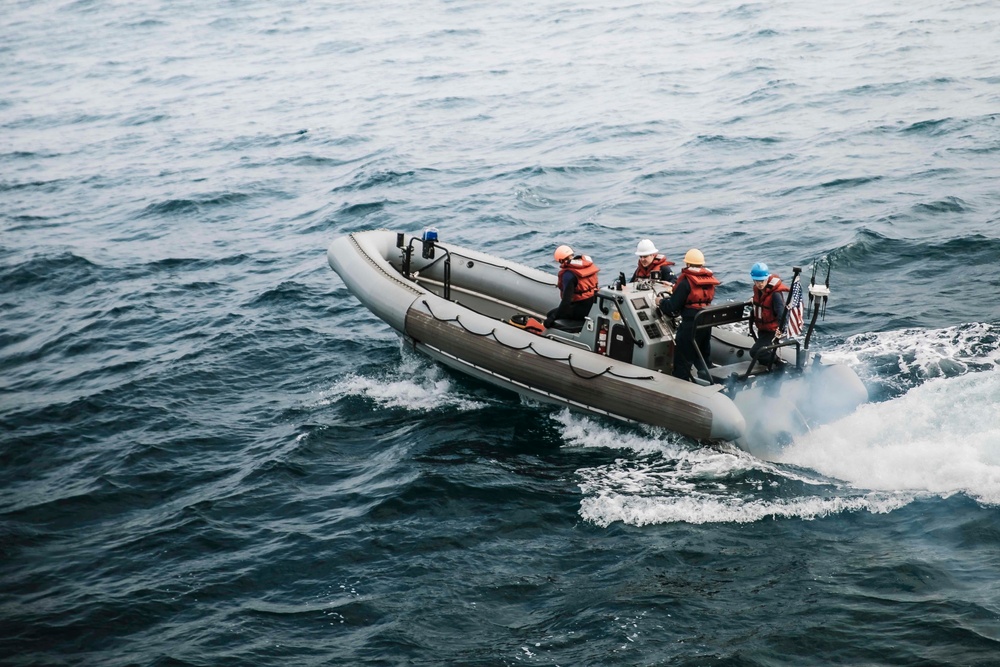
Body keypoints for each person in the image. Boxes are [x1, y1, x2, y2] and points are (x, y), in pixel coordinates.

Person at [656, 248, 720, 381]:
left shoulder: (685, 282)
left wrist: (661, 302)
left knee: (682, 362)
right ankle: (713, 381)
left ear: (687, 264)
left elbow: (672, 308)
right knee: (703, 357)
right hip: (705, 323)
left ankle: (681, 386)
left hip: (690, 325)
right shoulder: (708, 280)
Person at [544, 245, 600, 329]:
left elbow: (566, 302)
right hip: (594, 306)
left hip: (581, 310)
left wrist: (552, 317)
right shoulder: (587, 266)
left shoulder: (568, 275)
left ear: (561, 260)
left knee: (550, 314)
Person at [748, 262, 788, 366]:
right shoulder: (758, 290)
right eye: (757, 281)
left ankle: (779, 364)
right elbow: (761, 302)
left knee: (755, 352)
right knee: (762, 351)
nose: (760, 284)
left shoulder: (775, 294)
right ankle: (769, 368)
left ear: (767, 279)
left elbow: (781, 312)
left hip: (772, 330)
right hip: (762, 329)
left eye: (762, 281)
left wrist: (781, 328)